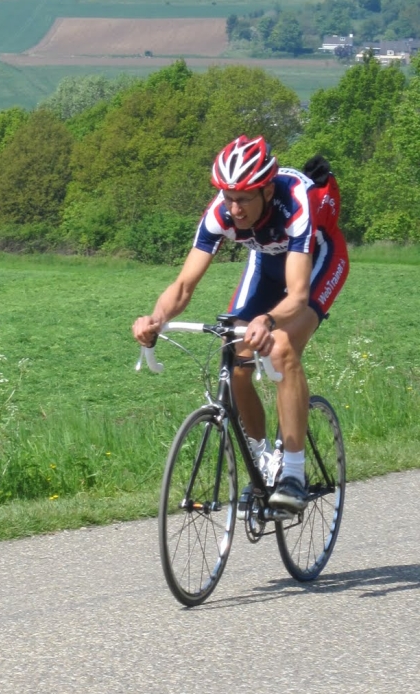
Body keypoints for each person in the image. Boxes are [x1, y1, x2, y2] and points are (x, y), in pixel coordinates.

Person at [133, 135, 349, 513]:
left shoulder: (294, 200)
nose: (233, 207)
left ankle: (294, 474)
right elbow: (184, 285)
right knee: (235, 357)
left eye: (244, 198)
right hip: (266, 264)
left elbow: (297, 296)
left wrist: (267, 319)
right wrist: (156, 318)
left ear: (266, 190)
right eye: (228, 196)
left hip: (316, 262)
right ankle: (263, 462)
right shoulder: (221, 211)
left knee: (281, 348)